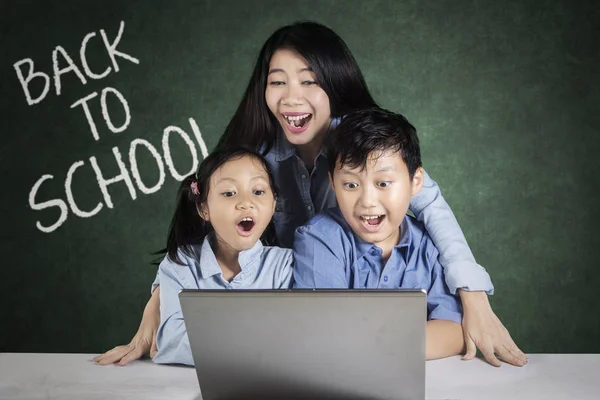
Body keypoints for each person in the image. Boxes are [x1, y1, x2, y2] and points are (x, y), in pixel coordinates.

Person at [96, 21, 527, 367]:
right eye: (277, 82)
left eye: (309, 81)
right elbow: (207, 215)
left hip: (332, 330)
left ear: (336, 85)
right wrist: (162, 296)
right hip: (280, 308)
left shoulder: (366, 148)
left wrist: (473, 298)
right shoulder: (255, 159)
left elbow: (431, 207)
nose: (291, 98)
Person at [94, 147, 293, 366]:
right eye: (229, 193)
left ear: (274, 203)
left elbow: (290, 339)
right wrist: (256, 345)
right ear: (203, 208)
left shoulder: (285, 266)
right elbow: (171, 342)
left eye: (258, 191)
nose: (246, 203)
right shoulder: (180, 264)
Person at [293, 108, 465, 360]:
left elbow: (454, 332)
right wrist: (409, 341)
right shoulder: (319, 238)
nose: (367, 201)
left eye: (383, 183)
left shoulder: (429, 244)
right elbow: (326, 331)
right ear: (332, 182)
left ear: (416, 181)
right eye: (351, 185)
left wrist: (378, 347)